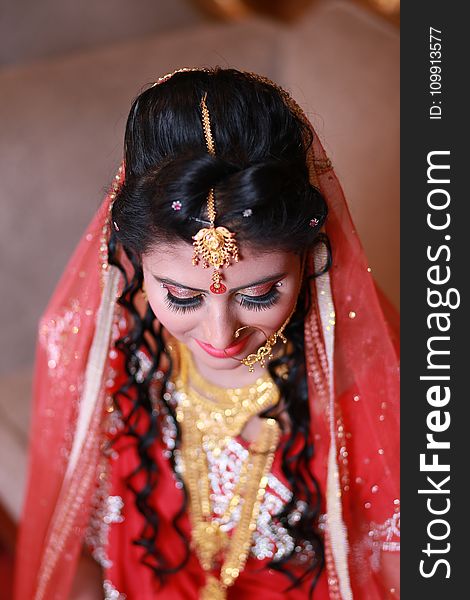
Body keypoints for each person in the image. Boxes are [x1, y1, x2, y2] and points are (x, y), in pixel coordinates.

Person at [14, 67, 400, 600]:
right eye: (183, 297)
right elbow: (72, 554)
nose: (221, 335)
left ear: (310, 260)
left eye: (259, 294)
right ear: (133, 260)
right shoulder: (108, 357)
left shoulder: (371, 385)